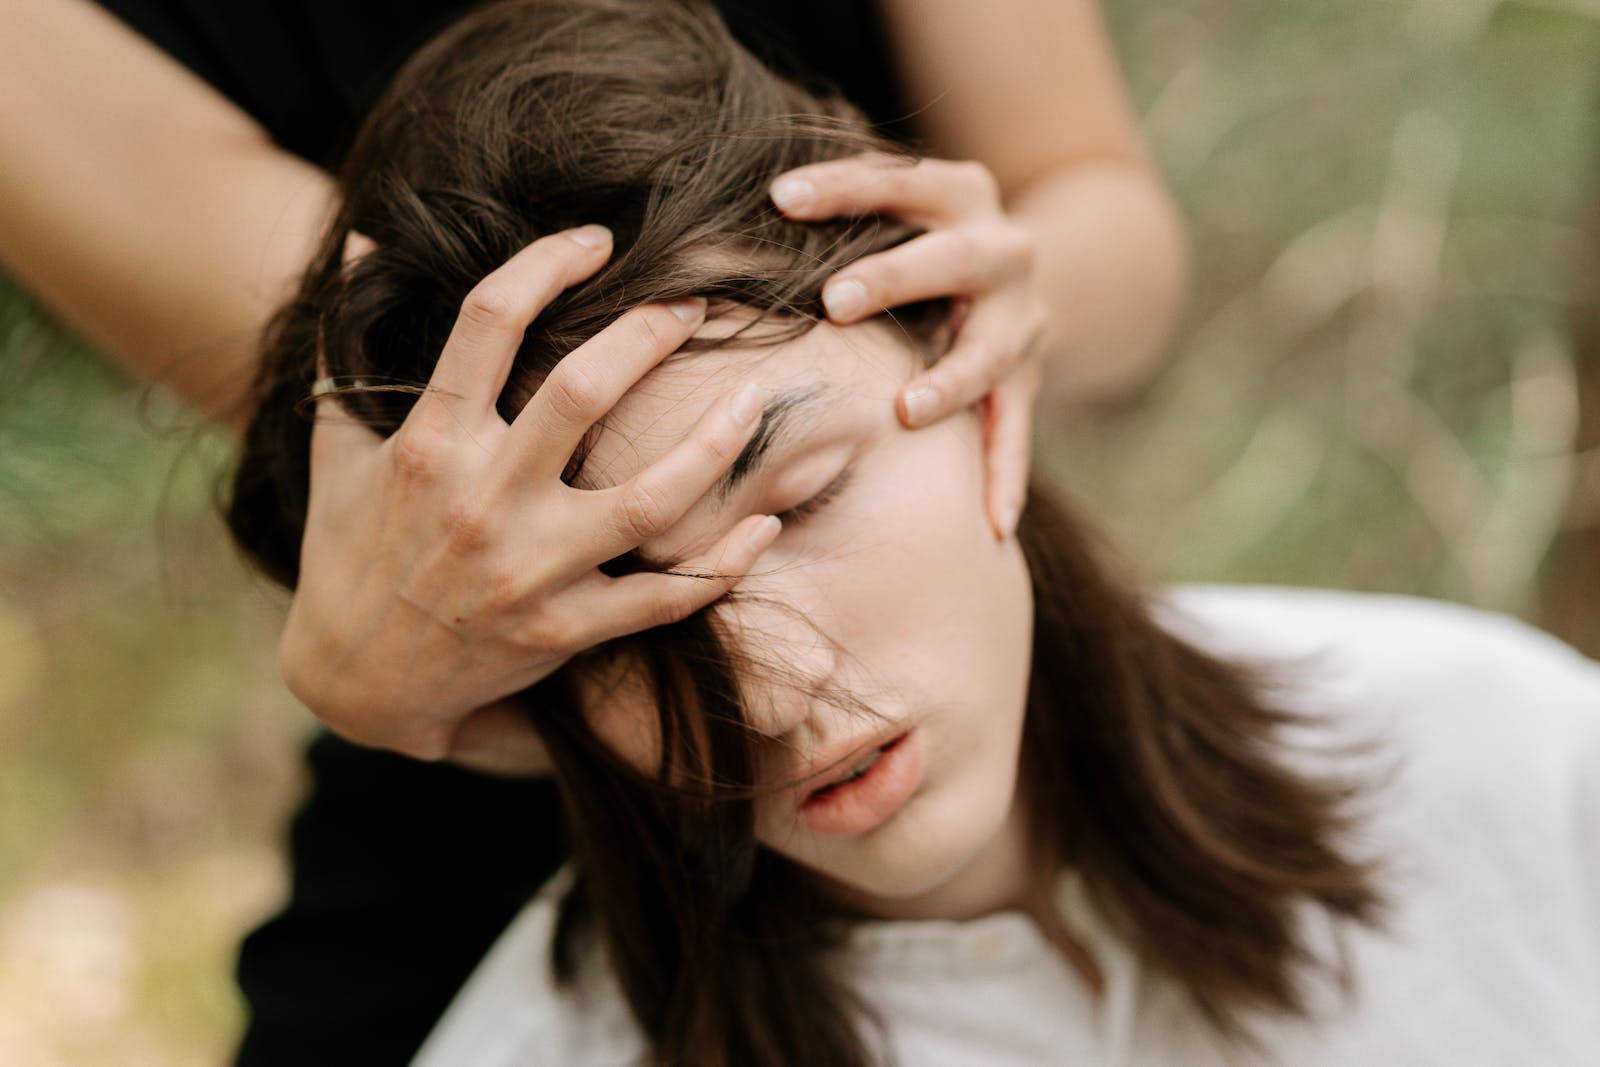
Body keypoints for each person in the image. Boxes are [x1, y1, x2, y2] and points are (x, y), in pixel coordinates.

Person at [231, 3, 1600, 1064]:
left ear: (973, 353)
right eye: (617, 603)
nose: (770, 694)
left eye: (805, 498)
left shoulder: (1509, 755)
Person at [0, 0, 1189, 1060]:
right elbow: (431, 370)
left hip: (940, 593)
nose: (776, 695)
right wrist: (384, 694)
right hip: (522, 693)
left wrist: (1003, 299)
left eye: (806, 491)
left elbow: (1100, 208)